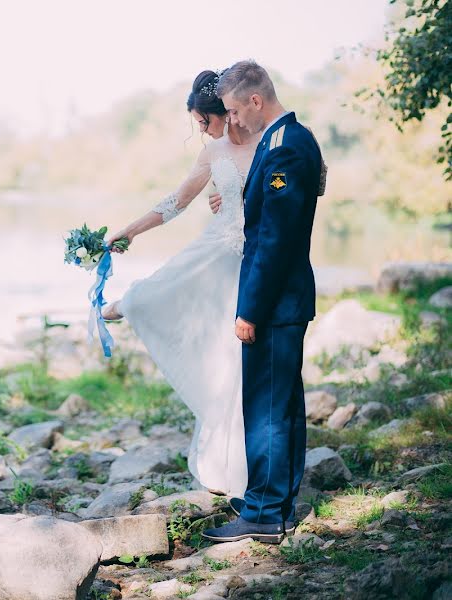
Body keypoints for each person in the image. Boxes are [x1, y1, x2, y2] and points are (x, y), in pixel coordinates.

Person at [103, 69, 260, 499]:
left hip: (255, 259)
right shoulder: (213, 153)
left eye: (203, 120)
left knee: (241, 359)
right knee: (216, 346)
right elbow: (176, 201)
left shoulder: (269, 141)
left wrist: (234, 199)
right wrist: (130, 231)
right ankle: (133, 302)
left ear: (225, 113)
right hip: (217, 251)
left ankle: (250, 467)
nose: (201, 128)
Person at [200, 60, 323, 544]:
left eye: (233, 111)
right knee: (282, 404)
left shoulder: (287, 147)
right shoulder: (286, 141)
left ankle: (266, 514)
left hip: (275, 302)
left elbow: (274, 241)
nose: (232, 122)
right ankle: (276, 500)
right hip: (283, 300)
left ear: (255, 100)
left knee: (268, 409)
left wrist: (249, 310)